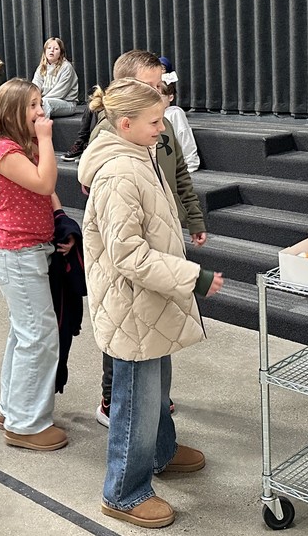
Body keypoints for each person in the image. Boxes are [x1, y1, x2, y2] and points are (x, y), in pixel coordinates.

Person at [78, 78, 223, 528]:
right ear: (125, 124)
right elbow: (129, 255)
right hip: (132, 305)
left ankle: (161, 451)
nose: (163, 129)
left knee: (155, 390)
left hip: (149, 302)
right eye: (155, 121)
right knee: (136, 402)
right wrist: (192, 278)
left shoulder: (138, 155)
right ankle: (124, 491)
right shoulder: (119, 173)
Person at [85, 50, 208, 427]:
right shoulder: (117, 157)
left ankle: (159, 435)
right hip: (140, 270)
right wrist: (192, 277)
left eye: (163, 87)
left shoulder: (153, 132)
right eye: (152, 88)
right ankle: (117, 412)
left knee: (156, 346)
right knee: (131, 355)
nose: (164, 97)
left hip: (159, 256)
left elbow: (179, 176)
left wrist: (192, 218)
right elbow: (124, 244)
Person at [0, 78, 72, 452]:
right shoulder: (4, 150)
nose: (41, 112)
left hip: (32, 250)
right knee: (38, 336)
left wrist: (60, 217)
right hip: (17, 254)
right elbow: (44, 180)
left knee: (25, 334)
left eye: (41, 103)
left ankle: (13, 409)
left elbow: (48, 191)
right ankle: (25, 423)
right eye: (33, 106)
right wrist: (48, 140)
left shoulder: (25, 146)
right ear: (13, 111)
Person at [32, 37, 79, 118]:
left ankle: (40, 129)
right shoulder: (41, 68)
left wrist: (39, 101)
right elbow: (35, 87)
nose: (52, 50)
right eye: (49, 48)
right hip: (43, 100)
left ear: (61, 53)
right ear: (45, 51)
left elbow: (60, 92)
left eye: (56, 48)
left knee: (45, 104)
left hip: (67, 103)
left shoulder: (66, 67)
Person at [159, 76, 199, 172]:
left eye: (160, 96)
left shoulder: (174, 113)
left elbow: (184, 136)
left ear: (170, 97)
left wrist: (191, 163)